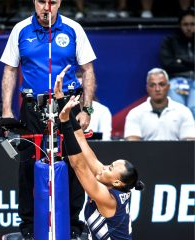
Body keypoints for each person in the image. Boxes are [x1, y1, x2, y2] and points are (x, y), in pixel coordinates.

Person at [0, 0, 96, 238]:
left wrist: (86, 109)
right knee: (27, 167)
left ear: (59, 3)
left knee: (76, 165)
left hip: (67, 105)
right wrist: (6, 110)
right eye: (42, 1)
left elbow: (88, 70)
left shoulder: (74, 29)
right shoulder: (20, 29)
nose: (47, 7)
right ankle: (29, 228)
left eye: (52, 2)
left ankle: (73, 227)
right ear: (34, 2)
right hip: (32, 108)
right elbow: (10, 70)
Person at [54, 66, 144, 240]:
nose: (104, 168)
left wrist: (64, 122)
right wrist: (61, 101)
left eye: (110, 169)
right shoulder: (109, 181)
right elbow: (80, 139)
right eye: (109, 165)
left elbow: (78, 165)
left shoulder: (108, 199)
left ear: (116, 181)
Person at [124, 68, 195, 140]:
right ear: (147, 88)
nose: (157, 89)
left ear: (168, 87)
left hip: (176, 151)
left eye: (161, 84)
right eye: (152, 85)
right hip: (145, 151)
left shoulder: (183, 112)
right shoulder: (135, 113)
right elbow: (132, 145)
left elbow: (190, 144)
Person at [160, 8, 194, 118]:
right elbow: (168, 65)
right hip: (177, 80)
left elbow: (175, 63)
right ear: (180, 25)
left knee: (193, 107)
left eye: (192, 24)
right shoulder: (170, 41)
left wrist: (181, 61)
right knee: (178, 110)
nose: (189, 28)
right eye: (185, 24)